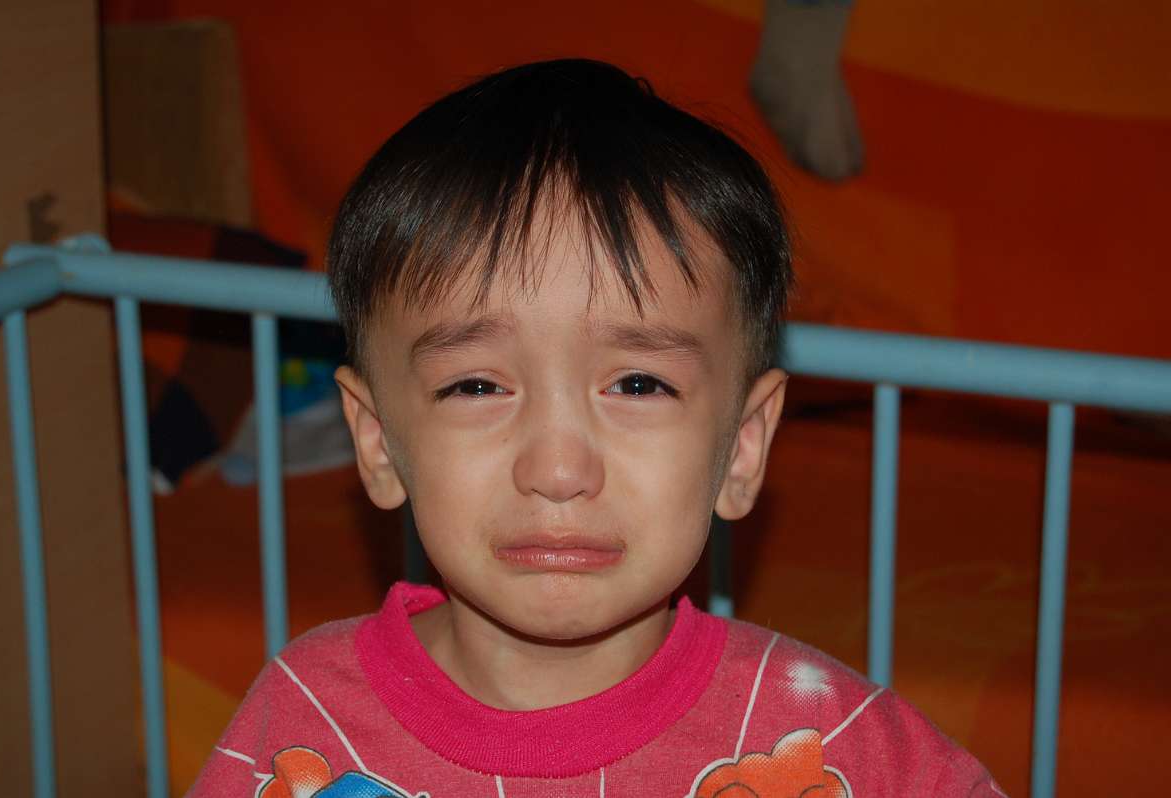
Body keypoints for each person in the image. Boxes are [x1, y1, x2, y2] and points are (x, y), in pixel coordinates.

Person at [189, 58, 1003, 797]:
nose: (558, 469)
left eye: (638, 384)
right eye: (477, 385)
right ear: (375, 440)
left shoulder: (834, 750)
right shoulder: (305, 733)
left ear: (744, 445)